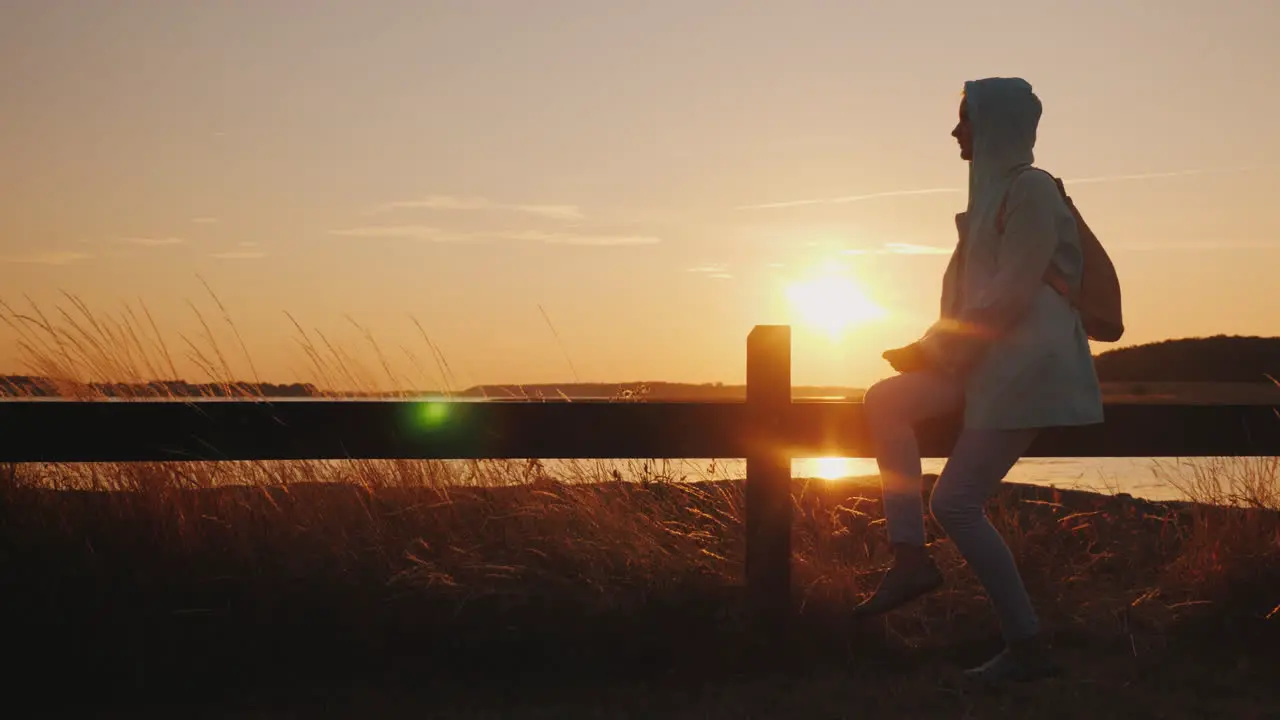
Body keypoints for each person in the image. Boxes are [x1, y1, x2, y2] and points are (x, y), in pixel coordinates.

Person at [854, 77, 1104, 685]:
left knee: (956, 502)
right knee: (886, 401)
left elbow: (1012, 292)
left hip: (1025, 373)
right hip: (983, 366)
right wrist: (932, 349)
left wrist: (931, 347)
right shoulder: (989, 199)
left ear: (995, 124)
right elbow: (970, 301)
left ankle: (1027, 648)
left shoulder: (1033, 190)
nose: (956, 131)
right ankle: (910, 559)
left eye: (966, 119)